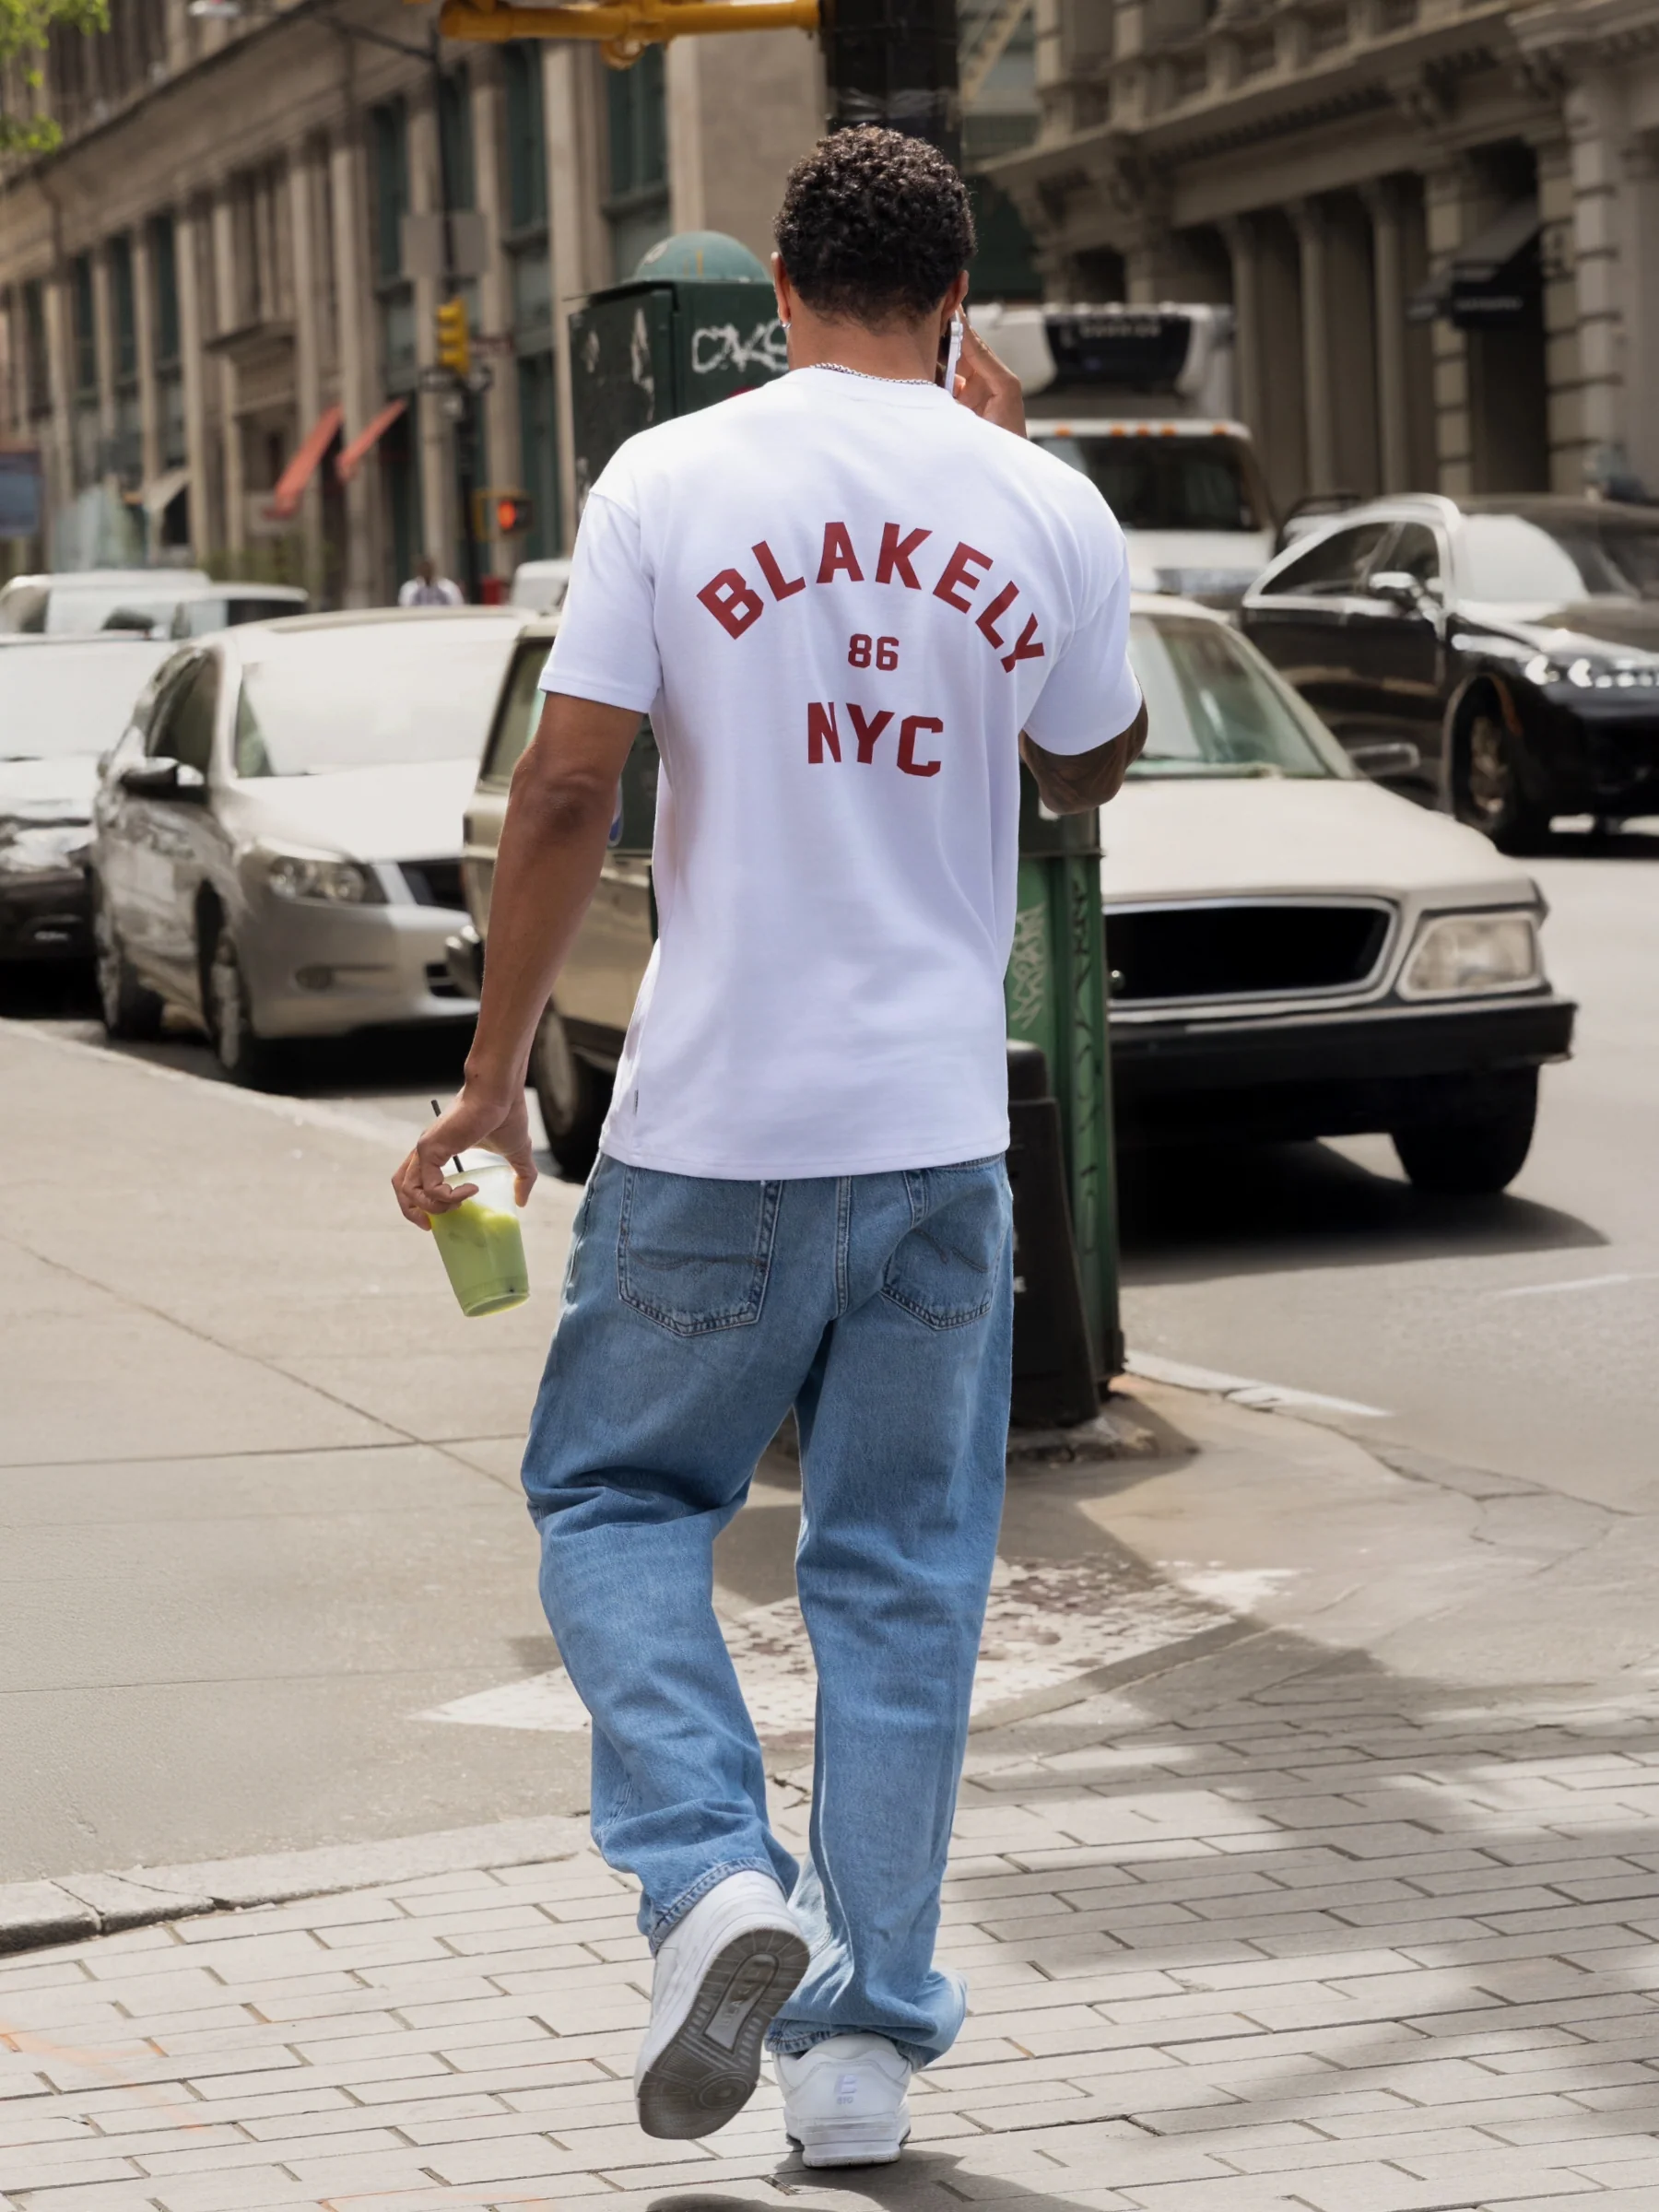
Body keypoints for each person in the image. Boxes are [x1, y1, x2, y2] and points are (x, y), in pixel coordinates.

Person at [394, 126, 1147, 2170]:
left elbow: (566, 796)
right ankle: (856, 2056)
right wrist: (1012, 488)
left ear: (785, 292)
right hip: (934, 1136)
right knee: (902, 1582)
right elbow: (1090, 756)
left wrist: (490, 1084)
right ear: (957, 291)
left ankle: (712, 1876)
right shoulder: (1039, 500)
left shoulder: (673, 478)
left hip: (716, 1122)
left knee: (619, 1496)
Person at [397, 555, 464, 606]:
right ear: (418, 569)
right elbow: (405, 608)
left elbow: (458, 606)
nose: (426, 570)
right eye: (423, 567)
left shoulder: (448, 587)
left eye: (428, 567)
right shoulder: (409, 588)